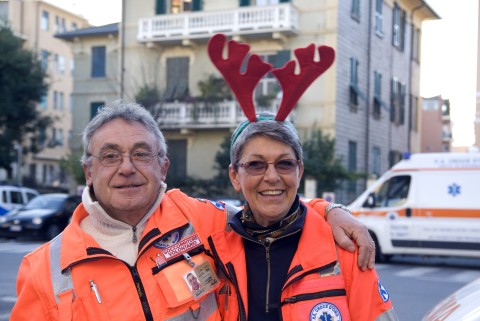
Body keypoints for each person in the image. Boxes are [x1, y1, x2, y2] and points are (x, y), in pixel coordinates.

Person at [10, 101, 374, 321]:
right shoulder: (45, 268)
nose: (126, 168)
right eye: (110, 156)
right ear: (89, 171)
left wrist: (330, 210)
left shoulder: (200, 219)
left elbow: (266, 201)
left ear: (163, 167)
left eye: (141, 154)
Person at [208, 113, 399, 321]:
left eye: (284, 164)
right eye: (256, 164)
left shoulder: (344, 248)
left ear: (299, 172)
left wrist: (331, 210)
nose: (272, 177)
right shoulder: (213, 249)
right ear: (235, 176)